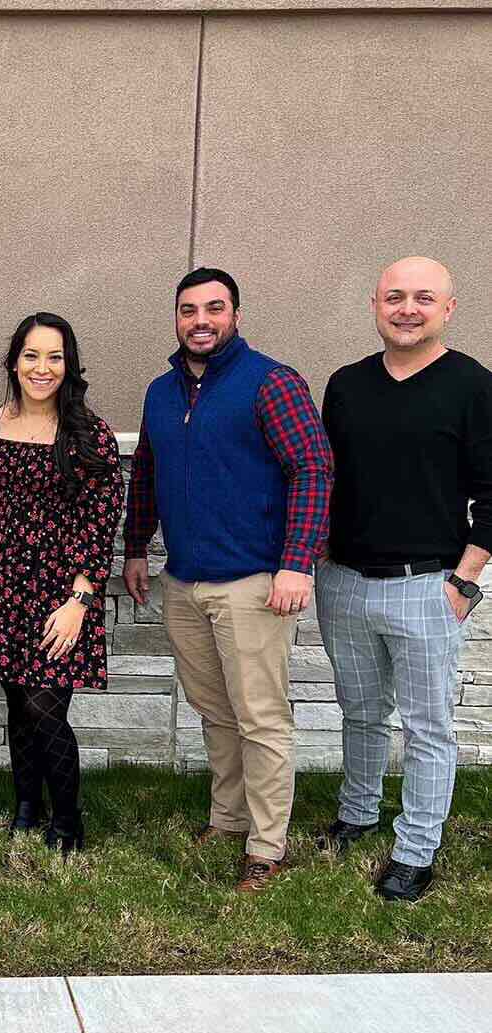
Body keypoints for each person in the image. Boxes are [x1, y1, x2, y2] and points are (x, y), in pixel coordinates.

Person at [123, 267, 333, 891]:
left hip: (254, 582)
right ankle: (229, 817)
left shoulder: (271, 382)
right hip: (184, 580)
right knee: (215, 712)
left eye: (214, 308)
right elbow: (147, 472)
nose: (201, 320)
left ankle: (267, 846)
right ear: (177, 320)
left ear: (236, 314)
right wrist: (137, 548)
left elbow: (312, 470)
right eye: (189, 310)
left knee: (260, 717)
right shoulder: (161, 392)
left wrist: (297, 561)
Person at [315, 256, 491, 902]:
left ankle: (415, 850)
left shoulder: (472, 387)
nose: (406, 308)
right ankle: (356, 814)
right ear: (374, 304)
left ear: (447, 308)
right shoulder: (345, 385)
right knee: (360, 711)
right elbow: (322, 477)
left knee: (425, 727)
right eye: (394, 296)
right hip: (343, 582)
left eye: (422, 297)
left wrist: (463, 582)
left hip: (427, 586)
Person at [0, 313, 121, 853]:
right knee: (17, 703)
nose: (42, 367)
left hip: (61, 591)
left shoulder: (86, 432)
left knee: (44, 705)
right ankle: (27, 805)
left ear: (69, 365)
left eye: (54, 357)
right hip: (3, 583)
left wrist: (80, 598)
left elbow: (102, 518)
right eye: (32, 355)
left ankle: (69, 820)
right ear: (14, 361)